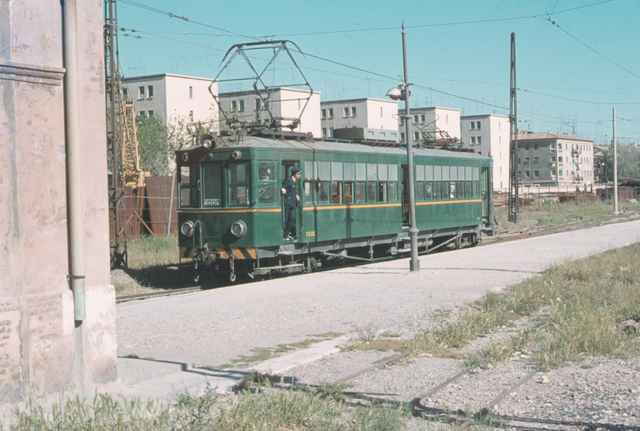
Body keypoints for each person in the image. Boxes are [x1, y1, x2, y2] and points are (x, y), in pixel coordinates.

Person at [282, 168, 301, 240]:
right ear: (295, 174)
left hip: (293, 204)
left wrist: (296, 195)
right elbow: (283, 188)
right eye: (299, 174)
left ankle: (290, 234)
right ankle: (285, 235)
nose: (299, 175)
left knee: (292, 219)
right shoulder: (289, 181)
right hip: (288, 203)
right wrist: (283, 190)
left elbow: (293, 191)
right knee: (287, 219)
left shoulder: (295, 181)